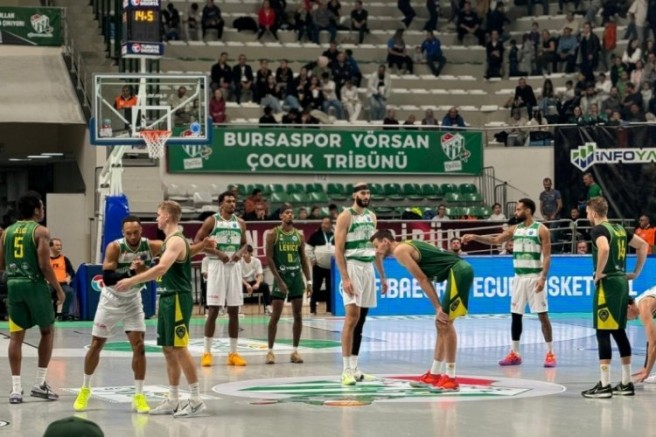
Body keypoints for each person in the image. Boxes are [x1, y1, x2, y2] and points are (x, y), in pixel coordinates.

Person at [116, 201, 207, 416]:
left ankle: (196, 399)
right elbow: (161, 269)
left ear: (167, 216)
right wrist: (142, 269)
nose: (156, 218)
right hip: (166, 297)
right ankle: (173, 399)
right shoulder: (168, 241)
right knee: (168, 349)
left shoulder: (176, 240)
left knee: (179, 348)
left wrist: (132, 280)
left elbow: (162, 268)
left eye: (158, 214)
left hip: (177, 298)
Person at [73, 216, 159, 414]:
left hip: (133, 299)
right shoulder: (115, 247)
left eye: (136, 232)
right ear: (123, 233)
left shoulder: (151, 246)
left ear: (141, 231)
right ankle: (85, 389)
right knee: (96, 345)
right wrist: (131, 273)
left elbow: (176, 249)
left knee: (139, 347)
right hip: (111, 299)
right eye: (128, 233)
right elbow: (108, 278)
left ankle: (139, 395)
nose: (133, 236)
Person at [371, 230, 474, 390]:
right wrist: (382, 276)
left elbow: (422, 278)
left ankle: (451, 377)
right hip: (458, 270)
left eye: (376, 246)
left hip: (460, 271)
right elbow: (376, 258)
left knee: (445, 322)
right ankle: (434, 374)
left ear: (385, 241)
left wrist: (437, 307)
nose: (376, 250)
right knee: (441, 324)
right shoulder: (406, 245)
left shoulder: (400, 251)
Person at [463, 198, 556, 367]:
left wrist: (543, 277)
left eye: (519, 209)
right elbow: (495, 240)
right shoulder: (515, 229)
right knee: (516, 315)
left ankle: (550, 353)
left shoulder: (541, 230)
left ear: (528, 210)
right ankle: (515, 353)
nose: (516, 212)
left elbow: (548, 256)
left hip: (535, 277)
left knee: (542, 315)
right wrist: (475, 236)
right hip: (519, 278)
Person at [0, 191, 65, 404]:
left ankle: (15, 389)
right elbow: (45, 265)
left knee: (16, 337)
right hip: (34, 284)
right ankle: (39, 383)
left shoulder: (7, 232)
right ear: (36, 210)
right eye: (42, 207)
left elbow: (1, 264)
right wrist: (58, 289)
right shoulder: (40, 231)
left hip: (13, 284)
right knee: (47, 331)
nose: (43, 210)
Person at [581, 197, 647, 398]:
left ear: (593, 212)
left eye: (587, 212)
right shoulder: (619, 229)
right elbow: (643, 245)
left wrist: (599, 273)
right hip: (622, 282)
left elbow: (604, 248)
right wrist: (636, 273)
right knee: (619, 332)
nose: (587, 215)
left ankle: (605, 385)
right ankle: (626, 383)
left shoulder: (598, 230)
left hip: (608, 284)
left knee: (602, 333)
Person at [334, 182, 387, 385]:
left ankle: (355, 368)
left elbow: (375, 248)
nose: (366, 196)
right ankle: (345, 370)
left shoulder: (372, 216)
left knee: (361, 320)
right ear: (355, 195)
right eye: (363, 193)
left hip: (368, 268)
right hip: (353, 266)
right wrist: (345, 277)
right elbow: (338, 249)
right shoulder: (345, 216)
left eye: (368, 193)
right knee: (352, 318)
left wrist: (382, 276)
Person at [194, 191, 248, 367]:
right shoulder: (212, 221)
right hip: (216, 264)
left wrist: (240, 253)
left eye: (234, 201)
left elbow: (245, 243)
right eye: (228, 201)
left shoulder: (241, 223)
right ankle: (206, 352)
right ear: (221, 204)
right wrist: (217, 252)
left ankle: (233, 353)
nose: (232, 204)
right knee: (214, 310)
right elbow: (197, 242)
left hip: (234, 266)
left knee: (234, 310)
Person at [265, 207, 312, 364]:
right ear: (280, 216)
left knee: (298, 315)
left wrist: (309, 281)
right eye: (286, 212)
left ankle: (295, 351)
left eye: (291, 212)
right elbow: (269, 258)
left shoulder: (299, 235)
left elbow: (303, 259)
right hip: (281, 276)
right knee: (276, 315)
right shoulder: (273, 234)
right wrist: (279, 280)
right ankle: (270, 351)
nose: (290, 214)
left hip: (296, 277)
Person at [306, 217, 334, 315]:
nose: (324, 225)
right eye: (323, 223)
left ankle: (329, 309)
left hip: (332, 268)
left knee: (330, 288)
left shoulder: (336, 234)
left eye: (326, 223)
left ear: (330, 224)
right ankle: (313, 309)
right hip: (318, 266)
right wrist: (312, 258)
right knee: (316, 287)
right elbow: (308, 248)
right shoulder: (315, 235)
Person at [628, 288, 656, 383]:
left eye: (625, 317)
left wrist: (646, 371)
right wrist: (645, 367)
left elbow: (653, 342)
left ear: (628, 307)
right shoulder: (641, 302)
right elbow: (651, 340)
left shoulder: (643, 306)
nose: (627, 320)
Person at [48, 238, 76, 320]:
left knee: (69, 292)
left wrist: (69, 277)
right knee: (45, 292)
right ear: (51, 246)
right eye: (57, 245)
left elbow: (71, 272)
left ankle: (64, 314)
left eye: (60, 245)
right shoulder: (45, 259)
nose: (59, 247)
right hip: (49, 284)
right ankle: (49, 313)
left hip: (62, 284)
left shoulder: (64, 259)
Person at [241, 244, 272, 314]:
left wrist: (257, 284)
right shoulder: (239, 262)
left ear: (250, 253)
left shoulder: (256, 261)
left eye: (245, 253)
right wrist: (246, 285)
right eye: (242, 253)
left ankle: (268, 307)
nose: (243, 255)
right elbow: (238, 277)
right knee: (235, 288)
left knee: (265, 286)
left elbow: (260, 274)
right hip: (243, 283)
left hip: (253, 283)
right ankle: (238, 309)